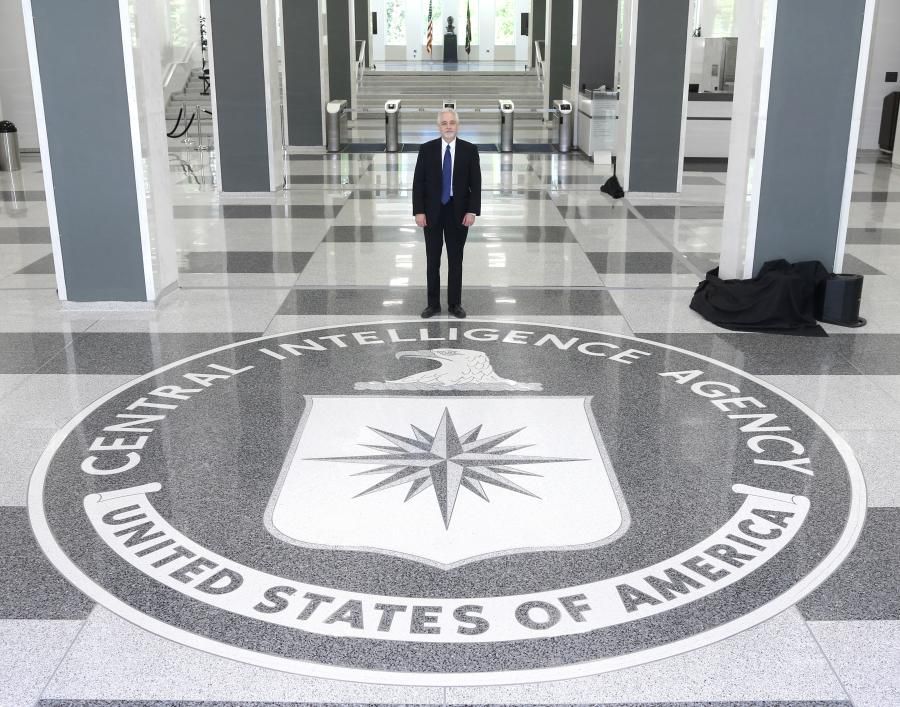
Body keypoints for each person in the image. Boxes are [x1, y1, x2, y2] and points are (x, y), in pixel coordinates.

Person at [413, 108, 481, 319]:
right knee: (432, 259)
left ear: (457, 125)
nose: (449, 126)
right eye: (444, 123)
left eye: (452, 122)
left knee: (455, 259)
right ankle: (432, 304)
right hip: (432, 212)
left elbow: (476, 184)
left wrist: (472, 211)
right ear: (439, 126)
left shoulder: (469, 150)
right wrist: (419, 211)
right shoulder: (427, 149)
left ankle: (455, 304)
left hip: (458, 211)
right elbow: (418, 183)